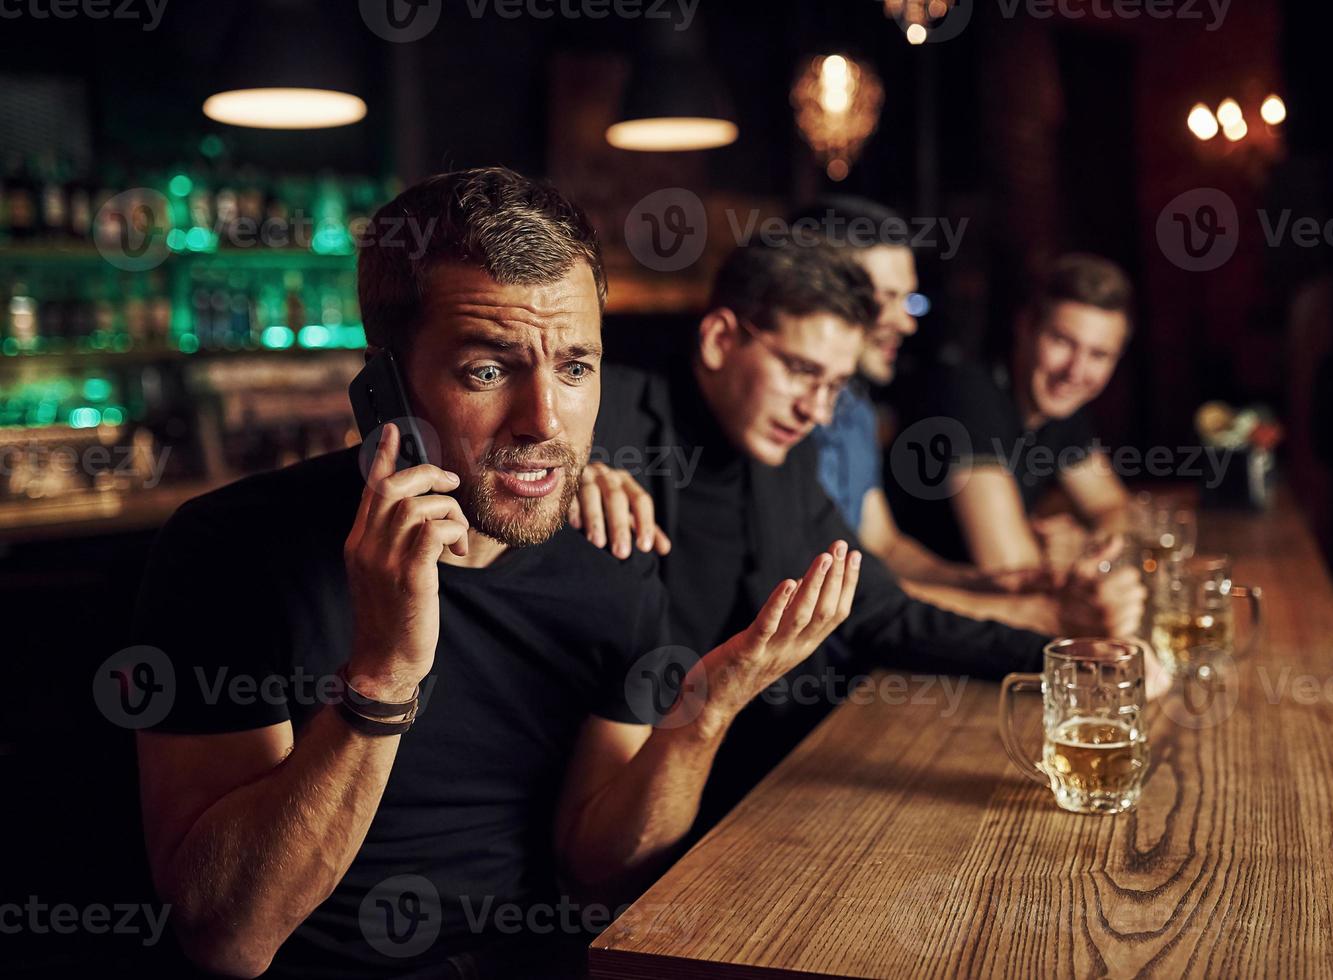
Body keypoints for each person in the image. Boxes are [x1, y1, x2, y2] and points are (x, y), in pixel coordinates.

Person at [129, 168, 861, 979]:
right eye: (487, 370)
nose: (544, 421)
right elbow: (229, 937)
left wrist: (704, 711)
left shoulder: (609, 552)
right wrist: (383, 672)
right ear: (386, 388)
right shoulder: (230, 550)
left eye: (576, 368)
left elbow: (598, 877)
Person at [596, 243, 1061, 826]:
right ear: (718, 339)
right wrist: (564, 477)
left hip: (777, 787)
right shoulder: (603, 420)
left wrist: (1061, 659)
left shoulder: (786, 455)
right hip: (644, 800)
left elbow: (880, 611)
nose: (815, 410)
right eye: (800, 371)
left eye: (834, 385)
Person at [796, 198, 1143, 637]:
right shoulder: (965, 393)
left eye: (1099, 354)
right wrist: (1040, 610)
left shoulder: (854, 409)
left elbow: (884, 546)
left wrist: (987, 582)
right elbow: (834, 596)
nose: (908, 323)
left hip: (879, 639)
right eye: (887, 299)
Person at [892, 252, 1137, 583]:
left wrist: (1087, 545)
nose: (1075, 371)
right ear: (1025, 328)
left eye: (1098, 355)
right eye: (1062, 341)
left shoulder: (1060, 407)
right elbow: (1012, 573)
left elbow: (1113, 508)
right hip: (923, 614)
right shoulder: (968, 395)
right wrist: (1079, 558)